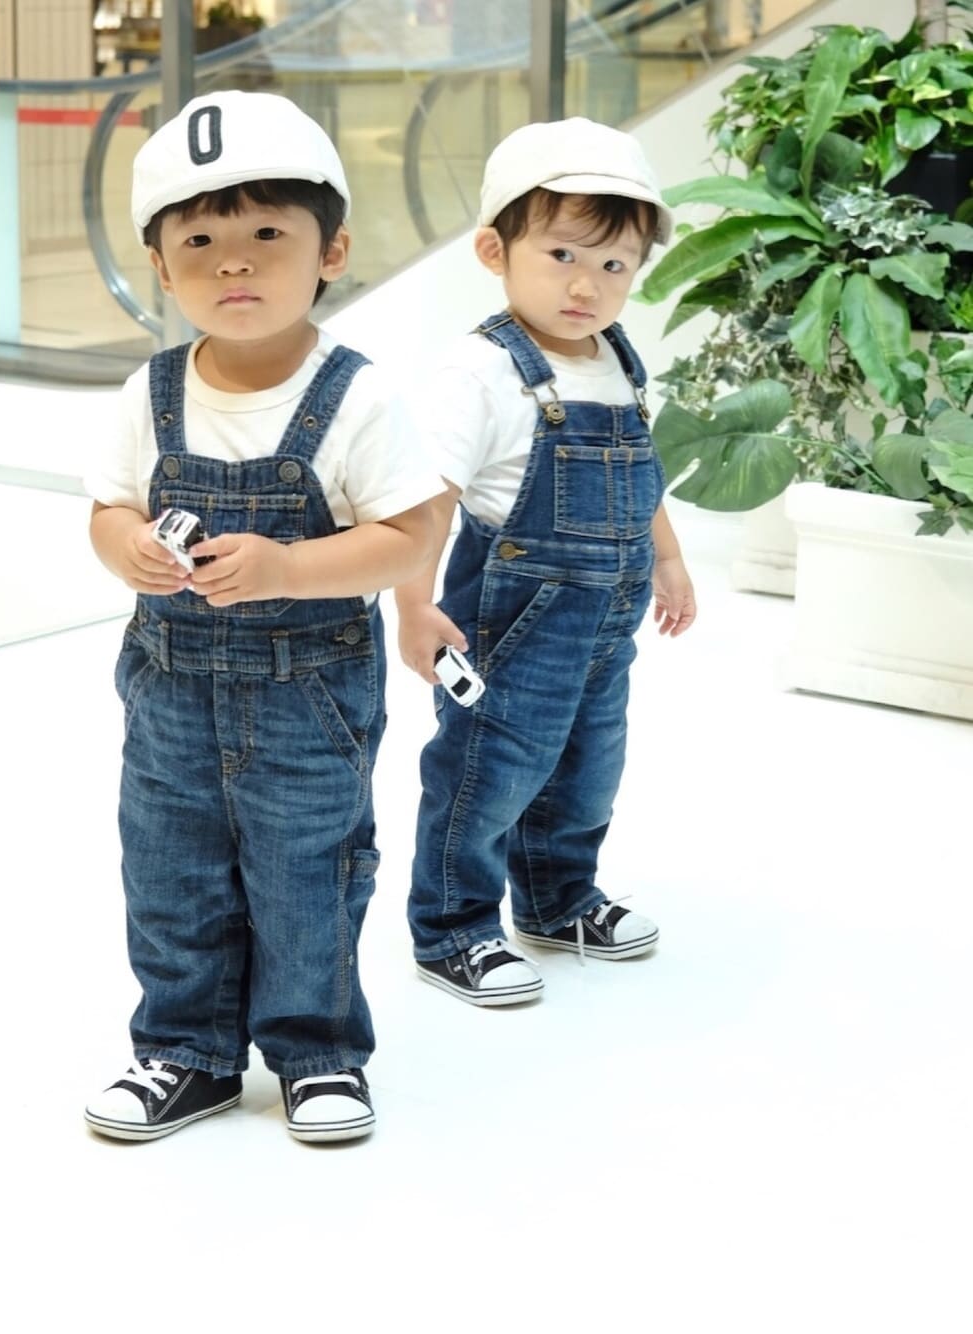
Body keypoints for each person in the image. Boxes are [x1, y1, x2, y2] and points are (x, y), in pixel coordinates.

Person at [82, 90, 442, 1140]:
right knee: (171, 870)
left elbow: (410, 538)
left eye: (267, 236)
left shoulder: (358, 396)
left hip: (307, 697)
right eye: (199, 241)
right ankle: (183, 1050)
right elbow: (108, 509)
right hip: (168, 693)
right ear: (161, 267)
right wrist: (128, 548)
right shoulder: (148, 392)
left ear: (332, 250)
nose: (232, 263)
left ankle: (317, 1053)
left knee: (305, 870)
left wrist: (288, 563)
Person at [397, 117, 697, 1006]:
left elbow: (642, 472)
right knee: (489, 768)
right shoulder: (483, 370)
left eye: (614, 265)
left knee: (587, 766)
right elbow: (427, 500)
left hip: (606, 620)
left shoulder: (617, 360)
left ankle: (558, 900)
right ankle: (452, 928)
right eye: (562, 254)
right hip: (511, 619)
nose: (586, 285)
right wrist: (412, 604)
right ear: (495, 250)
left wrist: (669, 559)